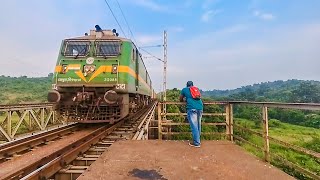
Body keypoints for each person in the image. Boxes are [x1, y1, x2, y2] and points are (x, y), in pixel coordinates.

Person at [180, 81, 203, 148]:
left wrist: (185, 99)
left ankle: (196, 143)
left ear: (187, 85)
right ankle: (198, 140)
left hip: (192, 108)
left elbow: (180, 99)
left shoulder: (184, 89)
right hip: (200, 107)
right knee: (198, 125)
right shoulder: (196, 89)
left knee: (194, 126)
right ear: (193, 85)